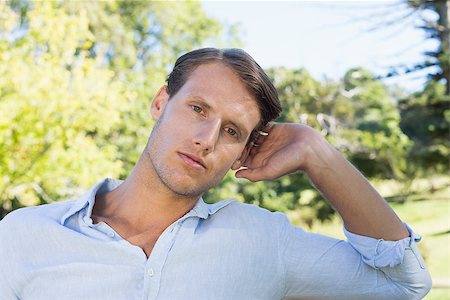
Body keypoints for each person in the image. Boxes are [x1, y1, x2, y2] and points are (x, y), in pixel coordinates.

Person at [0, 48, 431, 299]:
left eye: (231, 130)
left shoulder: (263, 241)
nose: (206, 139)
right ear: (159, 103)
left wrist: (319, 154)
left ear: (244, 151)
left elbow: (407, 282)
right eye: (198, 109)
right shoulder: (24, 235)